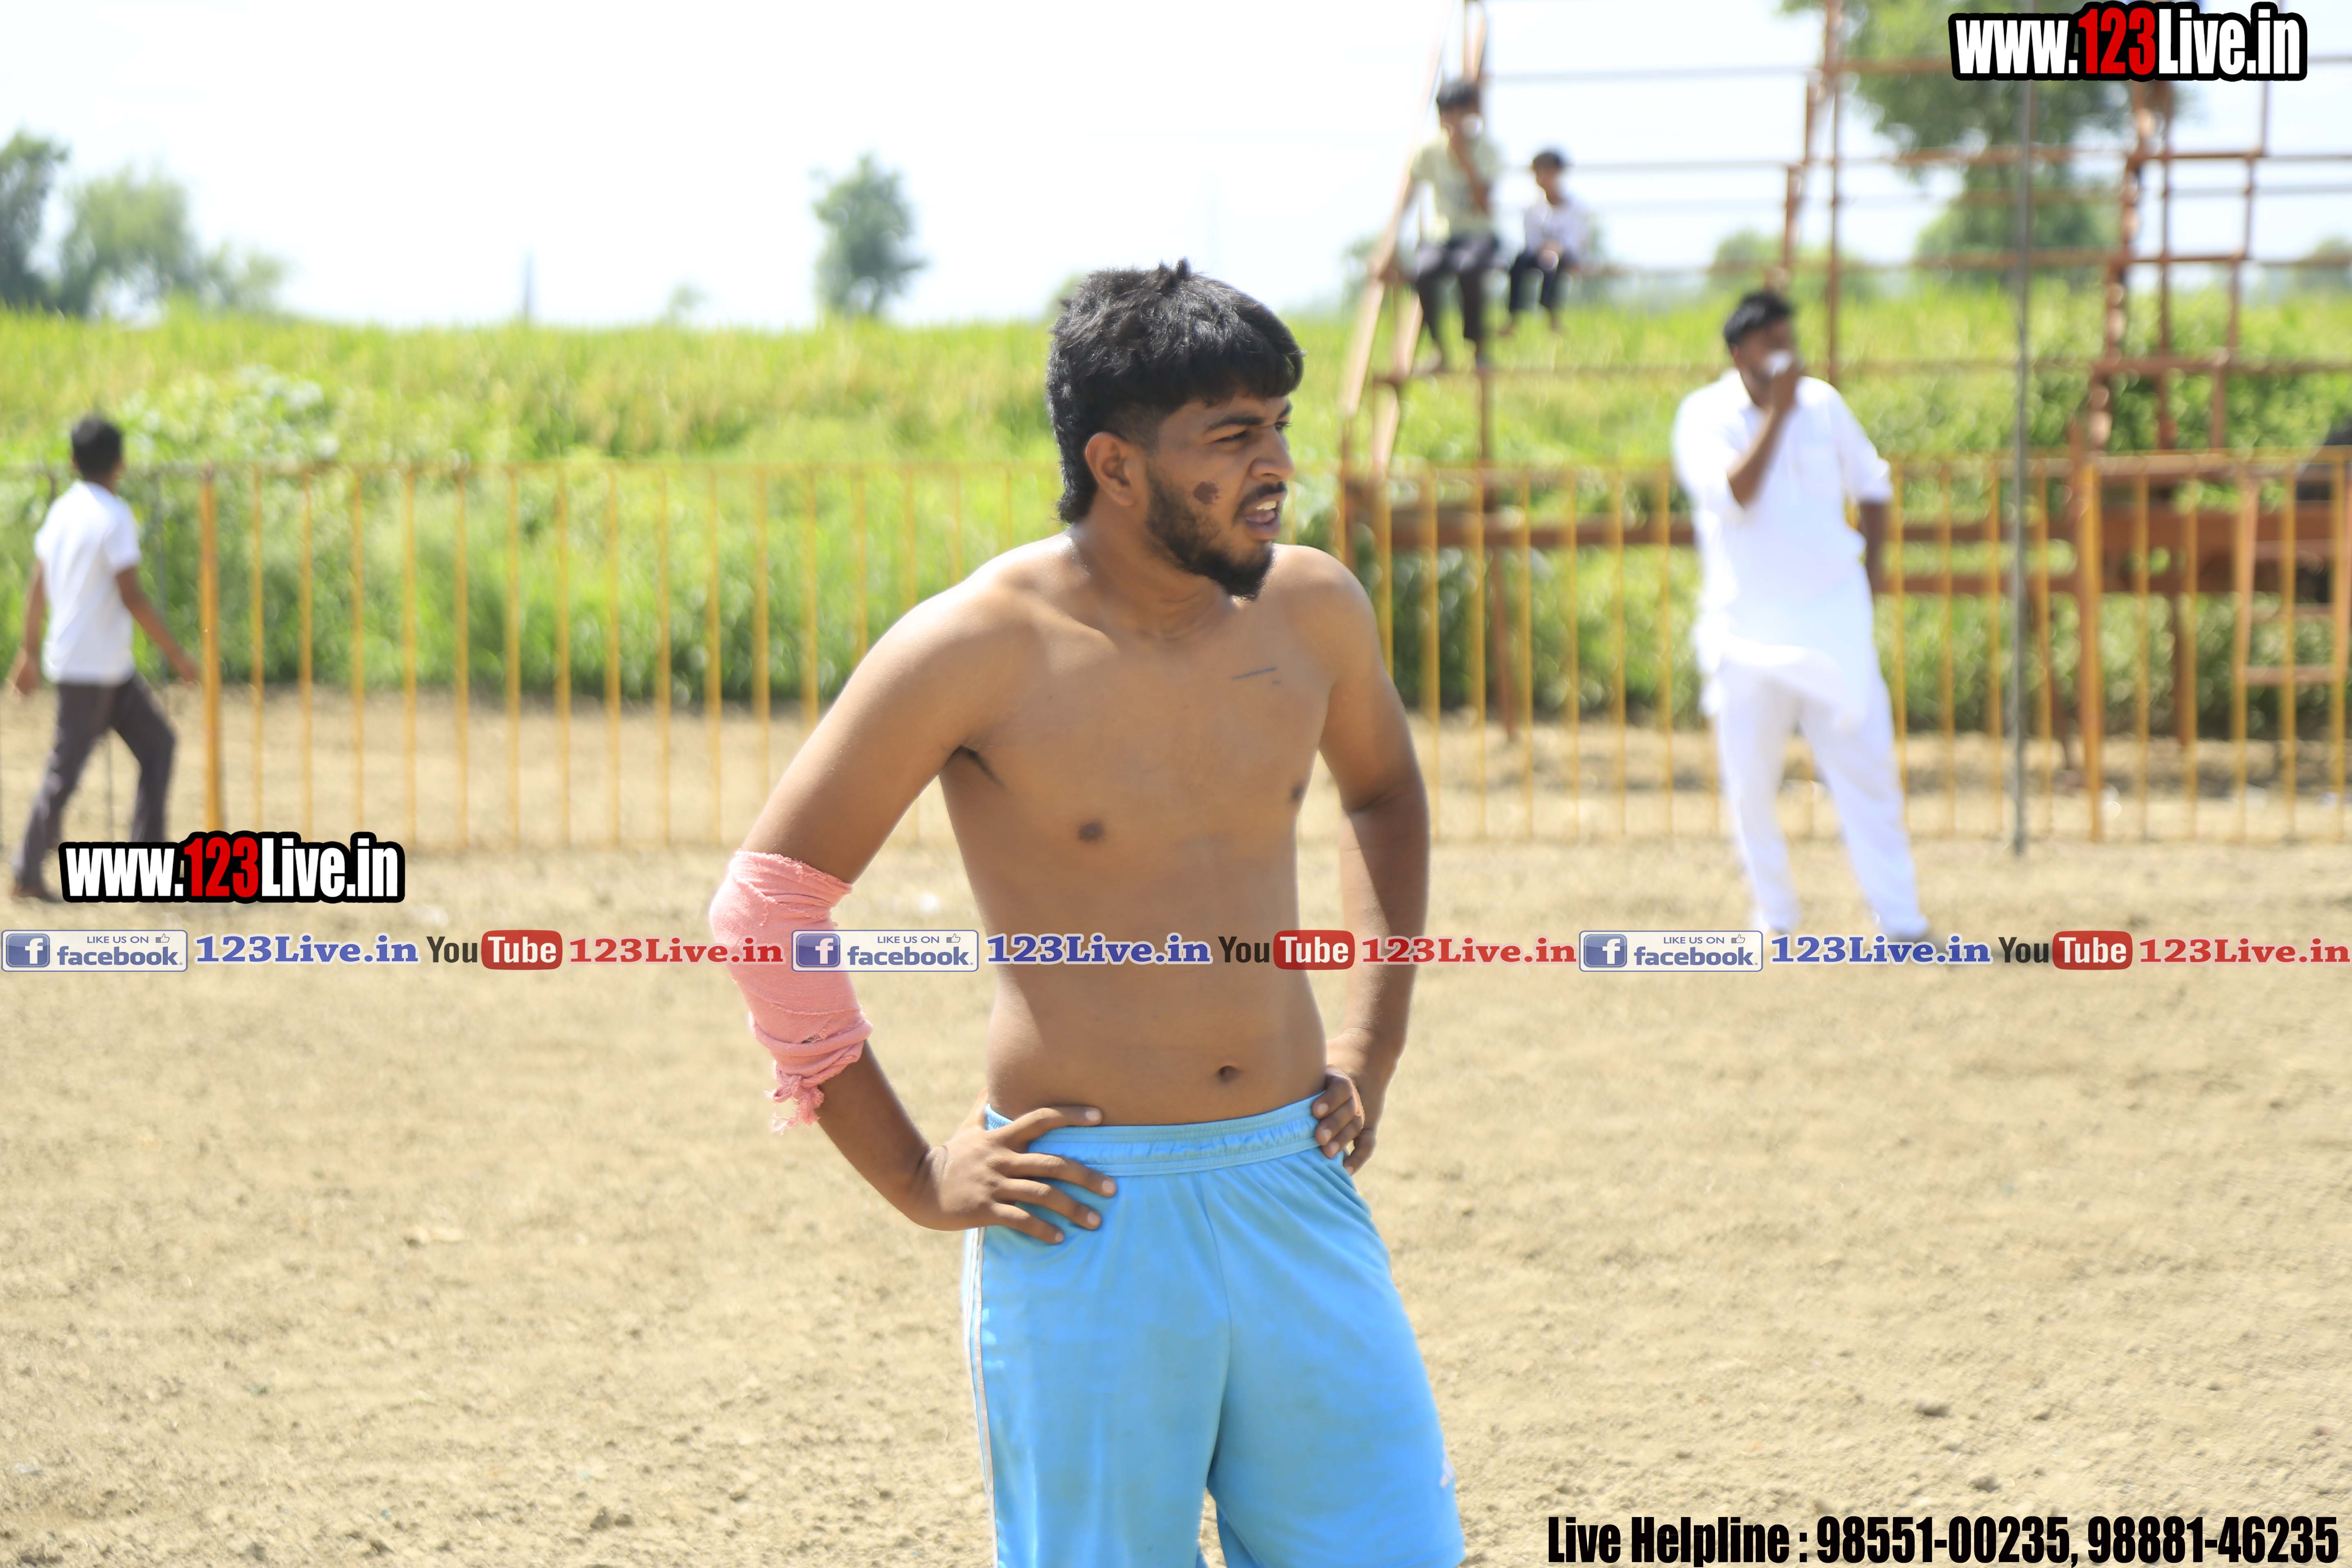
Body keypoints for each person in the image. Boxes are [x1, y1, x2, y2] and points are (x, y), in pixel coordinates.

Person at [706, 262, 1459, 1568]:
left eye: (1280, 425)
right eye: (1233, 436)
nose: (1278, 465)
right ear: (1116, 463)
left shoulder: (1314, 607)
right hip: (1087, 1208)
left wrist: (1368, 1046)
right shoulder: (976, 645)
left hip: (1293, 1175)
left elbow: (1385, 793)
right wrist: (914, 1174)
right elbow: (768, 906)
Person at [1670, 291, 1929, 941]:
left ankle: (1901, 920)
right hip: (1744, 633)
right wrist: (1778, 415)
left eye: (1790, 339)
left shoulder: (1824, 405)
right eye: (1771, 343)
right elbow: (1734, 495)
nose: (1787, 354)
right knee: (1751, 786)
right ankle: (1777, 918)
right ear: (1740, 353)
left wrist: (1870, 580)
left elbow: (1872, 485)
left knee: (1868, 772)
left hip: (1833, 625)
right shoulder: (1703, 415)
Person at [9, 415, 198, 902]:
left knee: (158, 746)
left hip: (100, 666)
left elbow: (37, 586)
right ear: (121, 463)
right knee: (65, 772)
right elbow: (131, 594)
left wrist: (28, 652)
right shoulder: (115, 516)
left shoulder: (62, 512)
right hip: (93, 670)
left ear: (74, 462)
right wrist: (177, 654)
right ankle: (26, 871)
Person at [1406, 77, 1506, 372]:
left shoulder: (1488, 150)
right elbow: (1408, 194)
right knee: (1423, 270)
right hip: (1442, 234)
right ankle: (1440, 351)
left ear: (1472, 113)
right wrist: (1388, 245)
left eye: (1458, 113)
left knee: (1469, 268)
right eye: (1446, 113)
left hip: (1479, 233)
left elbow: (1485, 205)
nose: (1452, 121)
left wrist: (1464, 160)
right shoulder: (1430, 151)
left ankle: (1478, 348)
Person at [1498, 147, 1592, 337]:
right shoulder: (1531, 206)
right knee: (1519, 263)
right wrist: (1546, 249)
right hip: (1539, 254)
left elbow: (1577, 240)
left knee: (1553, 265)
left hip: (1566, 255)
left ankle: (1552, 318)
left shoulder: (1576, 206)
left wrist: (1557, 249)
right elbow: (1531, 240)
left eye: (1547, 171)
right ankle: (1513, 317)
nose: (1542, 177)